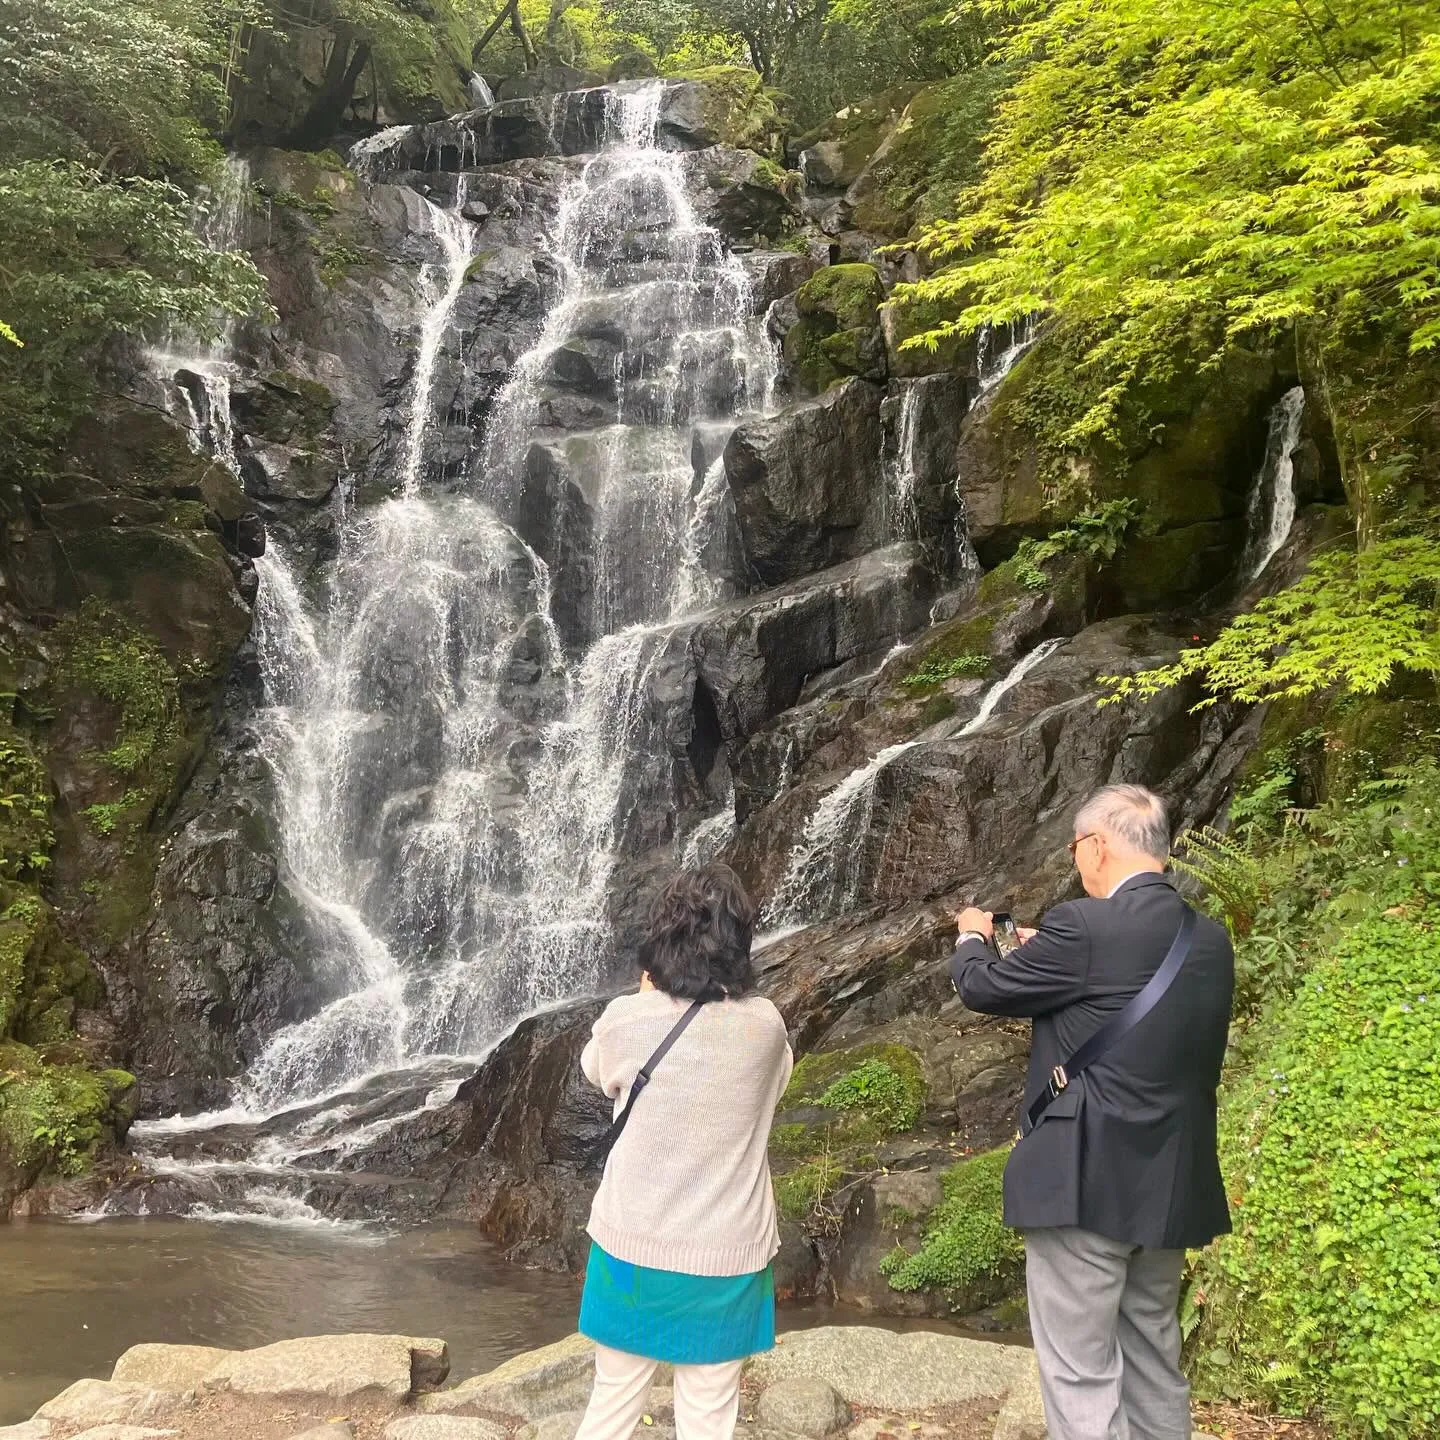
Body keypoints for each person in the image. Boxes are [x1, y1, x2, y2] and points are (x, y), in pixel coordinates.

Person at [950, 783, 1234, 1440]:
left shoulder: (1083, 927)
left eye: (1077, 846)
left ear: (1098, 846)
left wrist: (971, 937)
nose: (1077, 859)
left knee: (1081, 1373)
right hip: (1169, 1185)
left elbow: (980, 987)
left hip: (1083, 1183)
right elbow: (1130, 1008)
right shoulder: (1211, 939)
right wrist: (1046, 949)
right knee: (1154, 1362)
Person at [574, 863, 794, 1440]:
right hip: (728, 1255)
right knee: (709, 1417)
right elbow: (777, 1084)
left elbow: (595, 1071)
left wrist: (647, 996)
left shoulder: (626, 1020)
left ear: (661, 941)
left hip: (633, 1248)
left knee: (613, 1404)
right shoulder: (767, 1027)